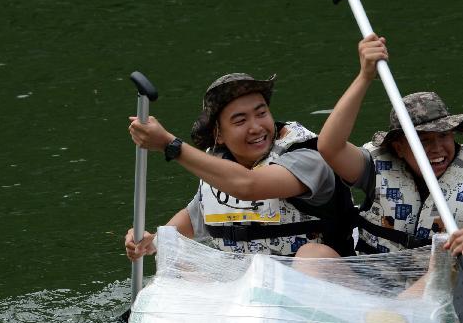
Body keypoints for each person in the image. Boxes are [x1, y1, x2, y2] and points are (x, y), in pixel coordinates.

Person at [124, 72, 355, 261]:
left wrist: (169, 145)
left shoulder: (307, 156)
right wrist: (150, 242)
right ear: (219, 135)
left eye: (261, 113)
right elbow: (196, 215)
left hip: (323, 292)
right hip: (250, 297)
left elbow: (248, 185)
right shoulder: (219, 168)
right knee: (181, 260)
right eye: (240, 121)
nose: (256, 127)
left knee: (311, 256)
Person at [317, 35, 463, 263]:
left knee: (444, 266)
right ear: (398, 147)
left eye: (444, 135)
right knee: (314, 253)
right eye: (424, 141)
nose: (438, 148)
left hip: (442, 285)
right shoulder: (375, 168)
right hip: (375, 283)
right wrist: (365, 76)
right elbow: (330, 147)